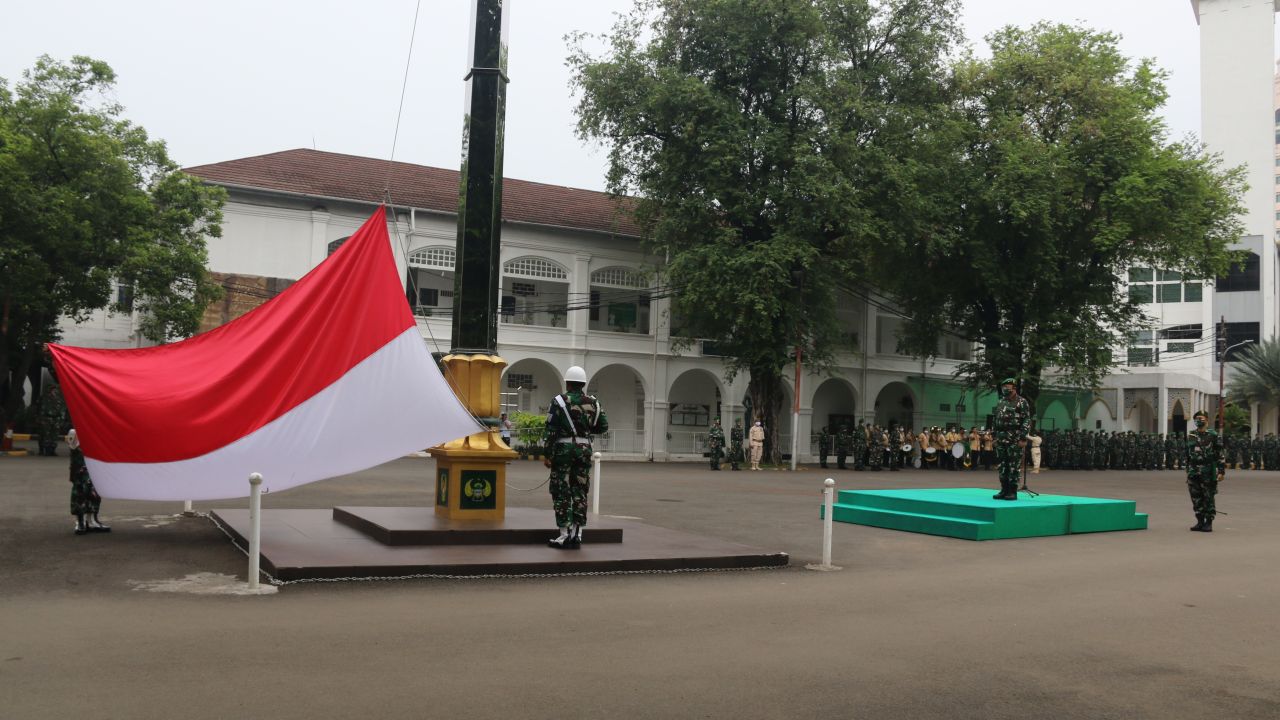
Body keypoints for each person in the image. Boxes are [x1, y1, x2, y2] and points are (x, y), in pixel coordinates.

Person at [542, 366, 608, 549]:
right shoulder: (594, 402)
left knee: (561, 490)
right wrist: (584, 430)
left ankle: (564, 535)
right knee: (580, 491)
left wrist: (547, 455)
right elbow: (603, 426)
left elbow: (551, 430)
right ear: (584, 383)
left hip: (563, 449)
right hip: (584, 448)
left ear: (567, 382)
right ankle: (577, 535)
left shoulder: (558, 401)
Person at [992, 378, 1031, 500]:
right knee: (1003, 465)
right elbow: (996, 419)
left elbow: (1026, 420)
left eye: (1007, 387)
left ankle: (1012, 491)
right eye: (1004, 387)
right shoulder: (1001, 402)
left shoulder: (1022, 402)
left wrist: (1023, 437)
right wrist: (994, 436)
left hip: (1014, 438)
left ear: (1014, 388)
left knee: (1013, 465)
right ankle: (1004, 489)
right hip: (1001, 438)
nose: (1005, 390)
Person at [1185, 410, 1223, 532]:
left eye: (1201, 418)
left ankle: (1209, 522)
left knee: (1208, 497)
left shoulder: (1213, 435)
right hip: (1193, 471)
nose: (1198, 421)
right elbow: (1188, 454)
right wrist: (1188, 469)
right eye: (1196, 419)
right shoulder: (1191, 435)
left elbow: (1219, 453)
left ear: (1207, 420)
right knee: (1195, 497)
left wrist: (1221, 471)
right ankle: (1200, 521)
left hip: (1207, 470)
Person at [67, 429, 109, 535]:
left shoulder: (96, 430)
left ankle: (92, 521)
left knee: (94, 493)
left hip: (93, 470)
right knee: (79, 494)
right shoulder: (75, 431)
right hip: (80, 472)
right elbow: (73, 446)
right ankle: (80, 522)